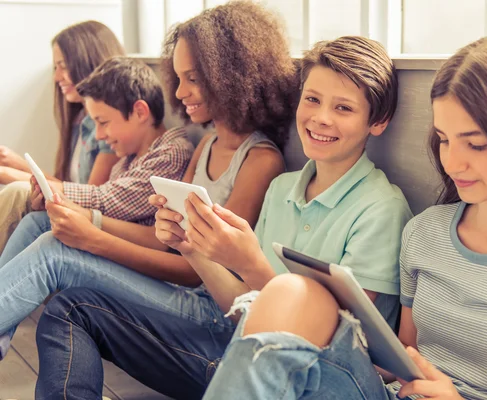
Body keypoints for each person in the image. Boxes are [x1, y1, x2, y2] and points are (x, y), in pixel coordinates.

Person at [201, 32, 487, 399]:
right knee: (295, 292)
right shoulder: (424, 233)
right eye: (443, 140)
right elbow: (400, 360)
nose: (453, 162)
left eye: (475, 144)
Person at [34, 33, 413, 399]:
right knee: (71, 308)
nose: (320, 118)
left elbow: (324, 337)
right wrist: (192, 249)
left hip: (311, 379)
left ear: (377, 121)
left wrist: (250, 264)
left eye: (343, 107)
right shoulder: (282, 189)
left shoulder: (381, 209)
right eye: (312, 99)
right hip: (235, 354)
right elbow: (242, 312)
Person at [0, 0, 298, 364]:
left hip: (207, 309)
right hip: (175, 286)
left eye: (193, 78)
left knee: (53, 253)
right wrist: (90, 224)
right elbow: (166, 244)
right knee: (40, 222)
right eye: (180, 77)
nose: (179, 93)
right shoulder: (205, 145)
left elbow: (195, 272)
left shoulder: (260, 161)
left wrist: (94, 238)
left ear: (231, 75)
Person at [0, 56, 193, 359]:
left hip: (151, 275)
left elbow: (107, 199)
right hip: (124, 254)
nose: (100, 135)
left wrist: (55, 191)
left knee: (47, 238)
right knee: (38, 220)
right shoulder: (129, 158)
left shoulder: (170, 153)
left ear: (140, 111)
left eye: (103, 122)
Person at [0, 20, 122, 250]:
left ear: (88, 63)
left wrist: (13, 170)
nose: (57, 77)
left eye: (63, 66)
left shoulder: (110, 131)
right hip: (71, 212)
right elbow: (68, 186)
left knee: (17, 190)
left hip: (89, 222)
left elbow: (89, 197)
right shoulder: (81, 121)